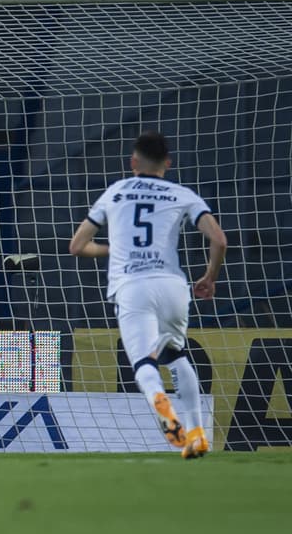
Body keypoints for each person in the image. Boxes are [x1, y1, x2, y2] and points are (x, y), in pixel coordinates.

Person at [68, 131, 227, 459]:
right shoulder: (182, 194)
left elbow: (76, 246)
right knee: (176, 354)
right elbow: (220, 240)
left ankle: (163, 412)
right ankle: (198, 433)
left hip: (133, 286)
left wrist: (112, 249)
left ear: (133, 161)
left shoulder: (116, 191)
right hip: (172, 286)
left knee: (144, 363)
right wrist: (210, 276)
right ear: (167, 164)